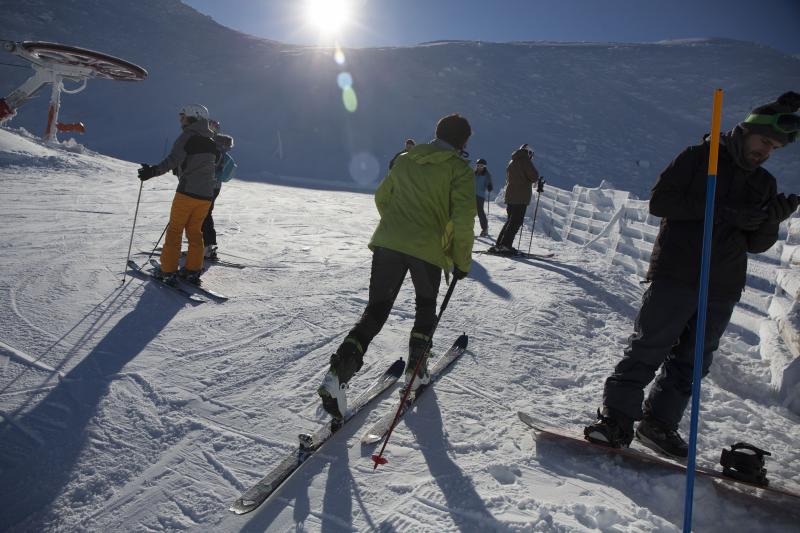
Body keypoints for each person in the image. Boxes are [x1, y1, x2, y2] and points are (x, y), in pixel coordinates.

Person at [584, 92, 800, 458]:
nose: (766, 151)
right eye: (765, 141)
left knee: (693, 360)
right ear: (746, 131)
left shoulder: (763, 183)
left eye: (774, 148)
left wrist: (769, 221)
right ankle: (616, 420)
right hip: (678, 271)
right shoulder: (700, 158)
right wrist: (721, 210)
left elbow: (756, 244)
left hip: (723, 283)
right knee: (649, 346)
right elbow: (660, 202)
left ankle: (658, 424)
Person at [317, 114, 476, 419]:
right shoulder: (459, 170)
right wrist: (461, 261)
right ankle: (417, 369)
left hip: (389, 244)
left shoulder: (405, 159)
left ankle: (337, 374)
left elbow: (382, 196)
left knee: (376, 310)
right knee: (426, 306)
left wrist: (395, 224)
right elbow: (464, 221)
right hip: (427, 250)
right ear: (463, 141)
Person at [137, 104, 217, 286]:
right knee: (195, 231)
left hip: (188, 192)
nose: (180, 120)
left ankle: (167, 271)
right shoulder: (212, 142)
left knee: (175, 230)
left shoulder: (188, 136)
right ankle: (192, 270)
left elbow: (173, 159)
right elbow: (212, 163)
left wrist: (153, 171)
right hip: (206, 196)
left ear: (192, 117)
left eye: (183, 116)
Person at [491, 144, 540, 254]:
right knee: (516, 221)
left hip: (511, 195)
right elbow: (534, 176)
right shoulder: (525, 161)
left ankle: (500, 244)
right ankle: (506, 245)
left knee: (510, 221)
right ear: (529, 153)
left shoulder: (512, 161)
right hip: (520, 196)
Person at [202, 119, 236, 261]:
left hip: (205, 186)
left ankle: (207, 246)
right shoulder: (222, 147)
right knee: (206, 213)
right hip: (216, 188)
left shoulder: (213, 147)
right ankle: (207, 245)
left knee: (203, 214)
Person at [474, 158, 494, 237]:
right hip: (471, 195)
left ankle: (484, 229)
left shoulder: (487, 175)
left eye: (481, 166)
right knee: (470, 212)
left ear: (484, 166)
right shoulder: (474, 173)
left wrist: (489, 186)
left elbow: (489, 184)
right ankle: (469, 229)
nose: (479, 167)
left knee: (480, 212)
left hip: (480, 196)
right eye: (478, 165)